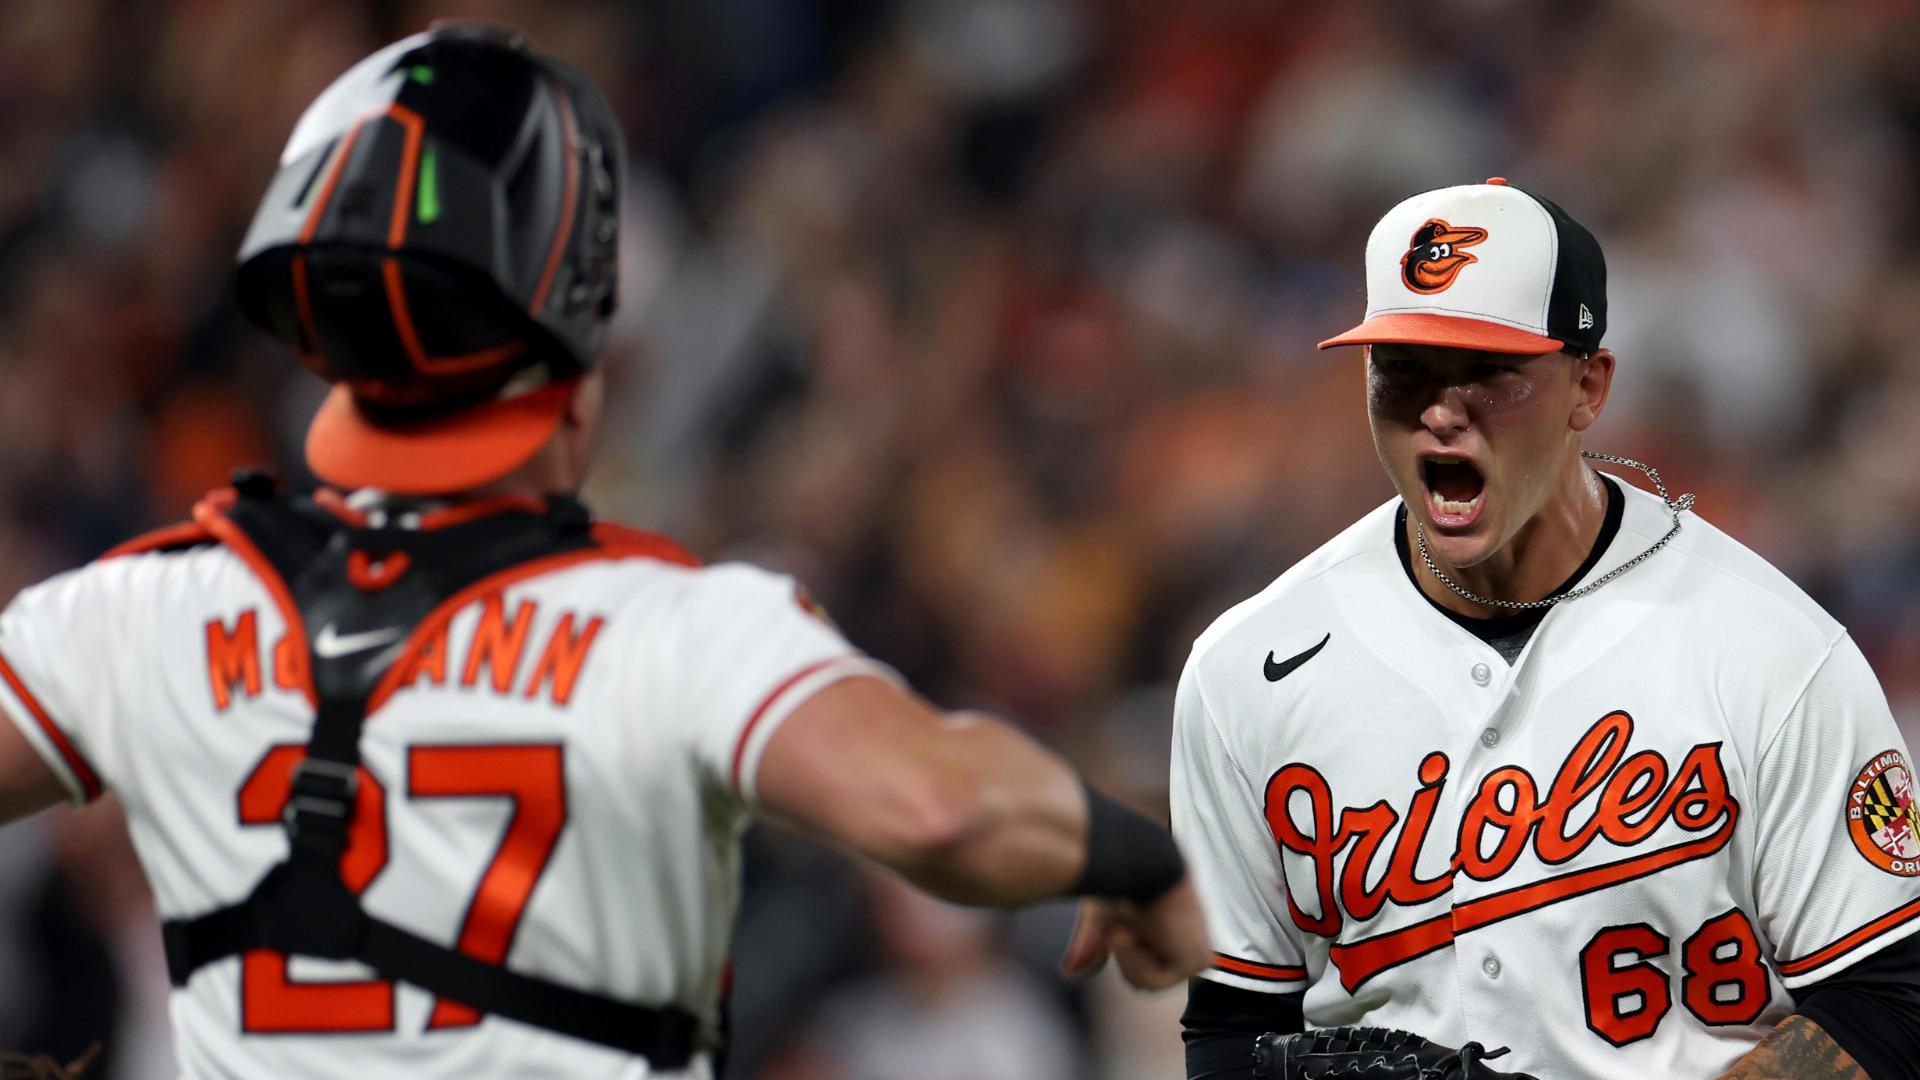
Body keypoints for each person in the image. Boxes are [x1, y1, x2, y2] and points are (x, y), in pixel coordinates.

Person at [0, 25, 1208, 1078]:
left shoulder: (139, 613)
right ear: (577, 343)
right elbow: (938, 805)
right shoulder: (672, 628)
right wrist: (1133, 857)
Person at [1170, 178, 1920, 1079]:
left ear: (1588, 386)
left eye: (1489, 372)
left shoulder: (1773, 653)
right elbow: (1226, 1033)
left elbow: (1890, 1008)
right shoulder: (1246, 670)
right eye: (1401, 369)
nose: (1442, 411)